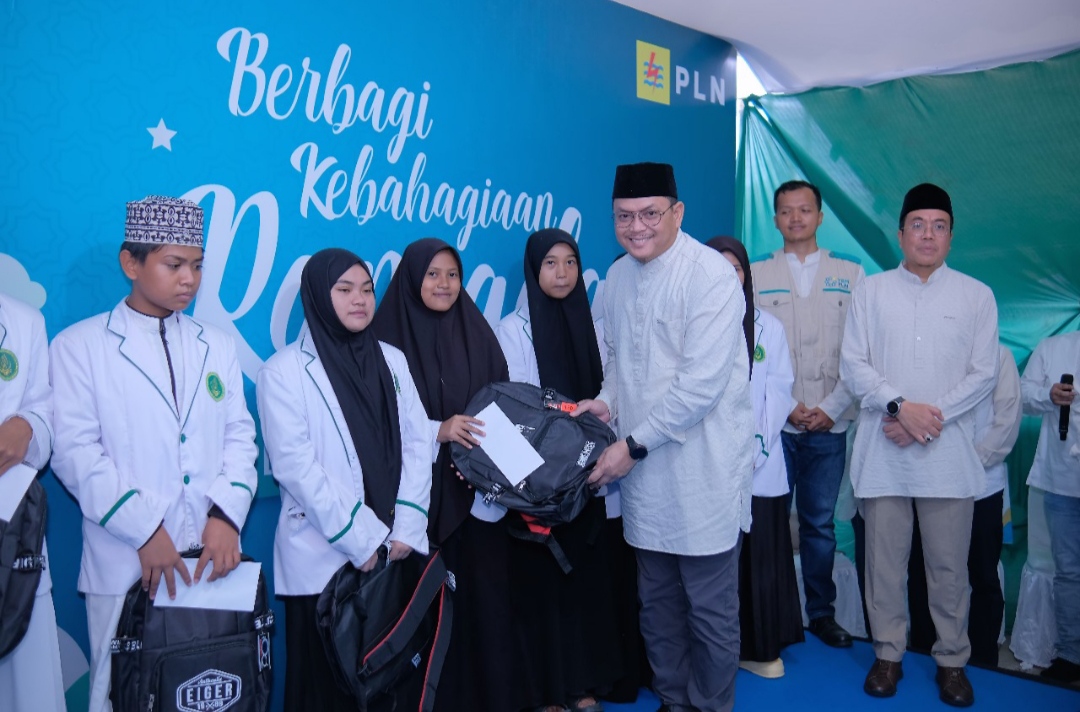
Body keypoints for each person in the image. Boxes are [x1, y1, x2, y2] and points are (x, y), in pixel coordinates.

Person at [50, 196, 259, 712]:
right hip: (126, 562)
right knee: (121, 693)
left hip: (211, 561)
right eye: (174, 264)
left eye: (197, 266)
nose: (189, 279)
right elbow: (75, 453)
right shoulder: (80, 346)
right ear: (131, 263)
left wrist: (225, 517)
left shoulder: (217, 345)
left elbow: (240, 437)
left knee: (214, 688)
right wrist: (146, 531)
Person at [574, 163, 754, 712]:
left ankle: (710, 705)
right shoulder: (619, 277)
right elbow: (621, 363)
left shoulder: (711, 277)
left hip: (702, 473)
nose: (637, 227)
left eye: (650, 214)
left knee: (709, 610)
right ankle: (674, 700)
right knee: (657, 606)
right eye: (624, 217)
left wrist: (630, 447)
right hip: (646, 480)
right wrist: (606, 402)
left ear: (677, 213)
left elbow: (699, 388)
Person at [840, 183, 998, 707]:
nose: (928, 235)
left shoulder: (976, 295)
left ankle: (952, 662)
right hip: (883, 455)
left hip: (947, 458)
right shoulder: (871, 291)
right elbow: (853, 365)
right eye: (918, 225)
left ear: (951, 236)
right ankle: (888, 655)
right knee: (884, 565)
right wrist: (898, 407)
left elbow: (984, 374)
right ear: (901, 233)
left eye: (939, 226)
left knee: (949, 570)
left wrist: (925, 420)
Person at [256, 248, 433, 711]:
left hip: (395, 551)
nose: (360, 299)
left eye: (367, 289)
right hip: (325, 560)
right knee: (325, 690)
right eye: (345, 289)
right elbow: (295, 468)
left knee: (390, 683)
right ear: (317, 295)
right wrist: (364, 538)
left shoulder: (392, 359)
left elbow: (419, 442)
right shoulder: (282, 373)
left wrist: (406, 526)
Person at [370, 238, 522, 712]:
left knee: (485, 603)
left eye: (452, 274)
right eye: (432, 274)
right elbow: (378, 424)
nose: (444, 284)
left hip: (479, 498)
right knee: (428, 613)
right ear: (412, 279)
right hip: (417, 504)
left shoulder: (478, 334)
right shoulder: (383, 343)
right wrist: (440, 429)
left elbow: (501, 405)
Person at [495, 228, 625, 711]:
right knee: (542, 586)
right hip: (540, 486)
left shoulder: (592, 326)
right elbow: (512, 408)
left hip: (590, 477)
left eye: (570, 262)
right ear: (533, 270)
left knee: (586, 581)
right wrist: (536, 480)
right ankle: (548, 689)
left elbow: (609, 395)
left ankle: (583, 682)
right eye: (550, 263)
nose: (563, 272)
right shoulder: (512, 330)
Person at [750, 179, 864, 649]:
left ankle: (821, 613)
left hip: (829, 422)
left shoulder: (850, 273)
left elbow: (861, 351)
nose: (795, 218)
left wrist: (831, 408)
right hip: (774, 425)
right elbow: (749, 350)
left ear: (820, 216)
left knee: (819, 525)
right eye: (786, 211)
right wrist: (786, 408)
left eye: (804, 210)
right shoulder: (756, 273)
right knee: (770, 521)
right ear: (775, 219)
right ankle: (771, 613)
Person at [706, 236, 804, 679]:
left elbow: (778, 392)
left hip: (758, 466)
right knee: (713, 563)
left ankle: (760, 649)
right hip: (707, 466)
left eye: (736, 268)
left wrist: (756, 448)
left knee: (759, 558)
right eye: (718, 267)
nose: (729, 276)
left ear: (746, 275)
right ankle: (714, 651)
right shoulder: (692, 324)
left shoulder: (769, 328)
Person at [908, 344, 1021, 667]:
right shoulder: (931, 350)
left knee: (982, 575)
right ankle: (924, 654)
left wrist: (967, 462)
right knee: (923, 573)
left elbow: (1007, 421)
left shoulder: (999, 356)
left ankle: (983, 660)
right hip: (930, 485)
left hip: (982, 487)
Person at [0, 293, 66, 712]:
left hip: (11, 538)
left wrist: (27, 427)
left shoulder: (23, 321)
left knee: (24, 690)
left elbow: (44, 410)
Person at [1020, 325, 1080, 683]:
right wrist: (1049, 395)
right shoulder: (1053, 347)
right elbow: (1023, 396)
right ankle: (1072, 655)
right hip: (1062, 481)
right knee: (1069, 572)